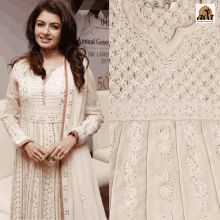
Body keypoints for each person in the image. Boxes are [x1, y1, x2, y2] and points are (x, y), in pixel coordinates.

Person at [1, 0, 107, 219]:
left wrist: (73, 137)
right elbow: (9, 114)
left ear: (63, 30)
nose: (45, 32)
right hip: (31, 159)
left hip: (70, 157)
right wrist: (25, 143)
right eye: (41, 24)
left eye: (54, 26)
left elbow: (95, 115)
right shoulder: (21, 67)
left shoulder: (78, 66)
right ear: (33, 27)